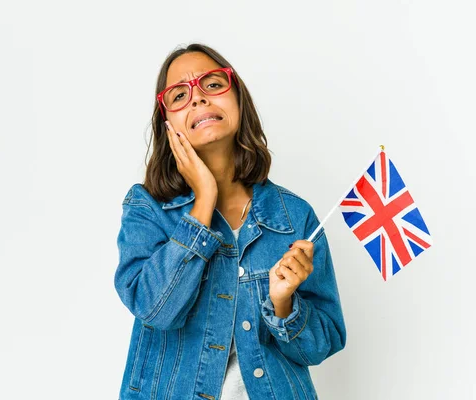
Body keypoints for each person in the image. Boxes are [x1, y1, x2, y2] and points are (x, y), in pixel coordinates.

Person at [114, 43, 347, 400]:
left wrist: (284, 305)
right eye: (179, 95)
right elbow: (155, 309)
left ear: (237, 97)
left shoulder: (293, 216)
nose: (198, 99)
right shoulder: (148, 209)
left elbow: (320, 347)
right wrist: (204, 201)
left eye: (212, 84)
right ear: (167, 123)